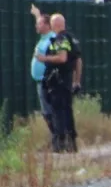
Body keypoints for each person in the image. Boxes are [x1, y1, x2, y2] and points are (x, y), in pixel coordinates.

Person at [36, 13, 82, 153]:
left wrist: (44, 58)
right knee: (67, 110)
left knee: (58, 112)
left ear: (54, 25)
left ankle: (60, 143)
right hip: (66, 81)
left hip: (58, 82)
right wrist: (77, 81)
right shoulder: (71, 38)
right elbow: (78, 61)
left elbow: (62, 58)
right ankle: (70, 142)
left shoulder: (60, 38)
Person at [29, 9, 55, 134]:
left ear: (48, 26)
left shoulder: (52, 39)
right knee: (46, 111)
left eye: (39, 24)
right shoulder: (44, 38)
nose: (36, 26)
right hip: (40, 80)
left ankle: (57, 136)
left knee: (49, 111)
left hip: (47, 81)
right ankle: (56, 136)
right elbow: (41, 24)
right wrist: (37, 15)